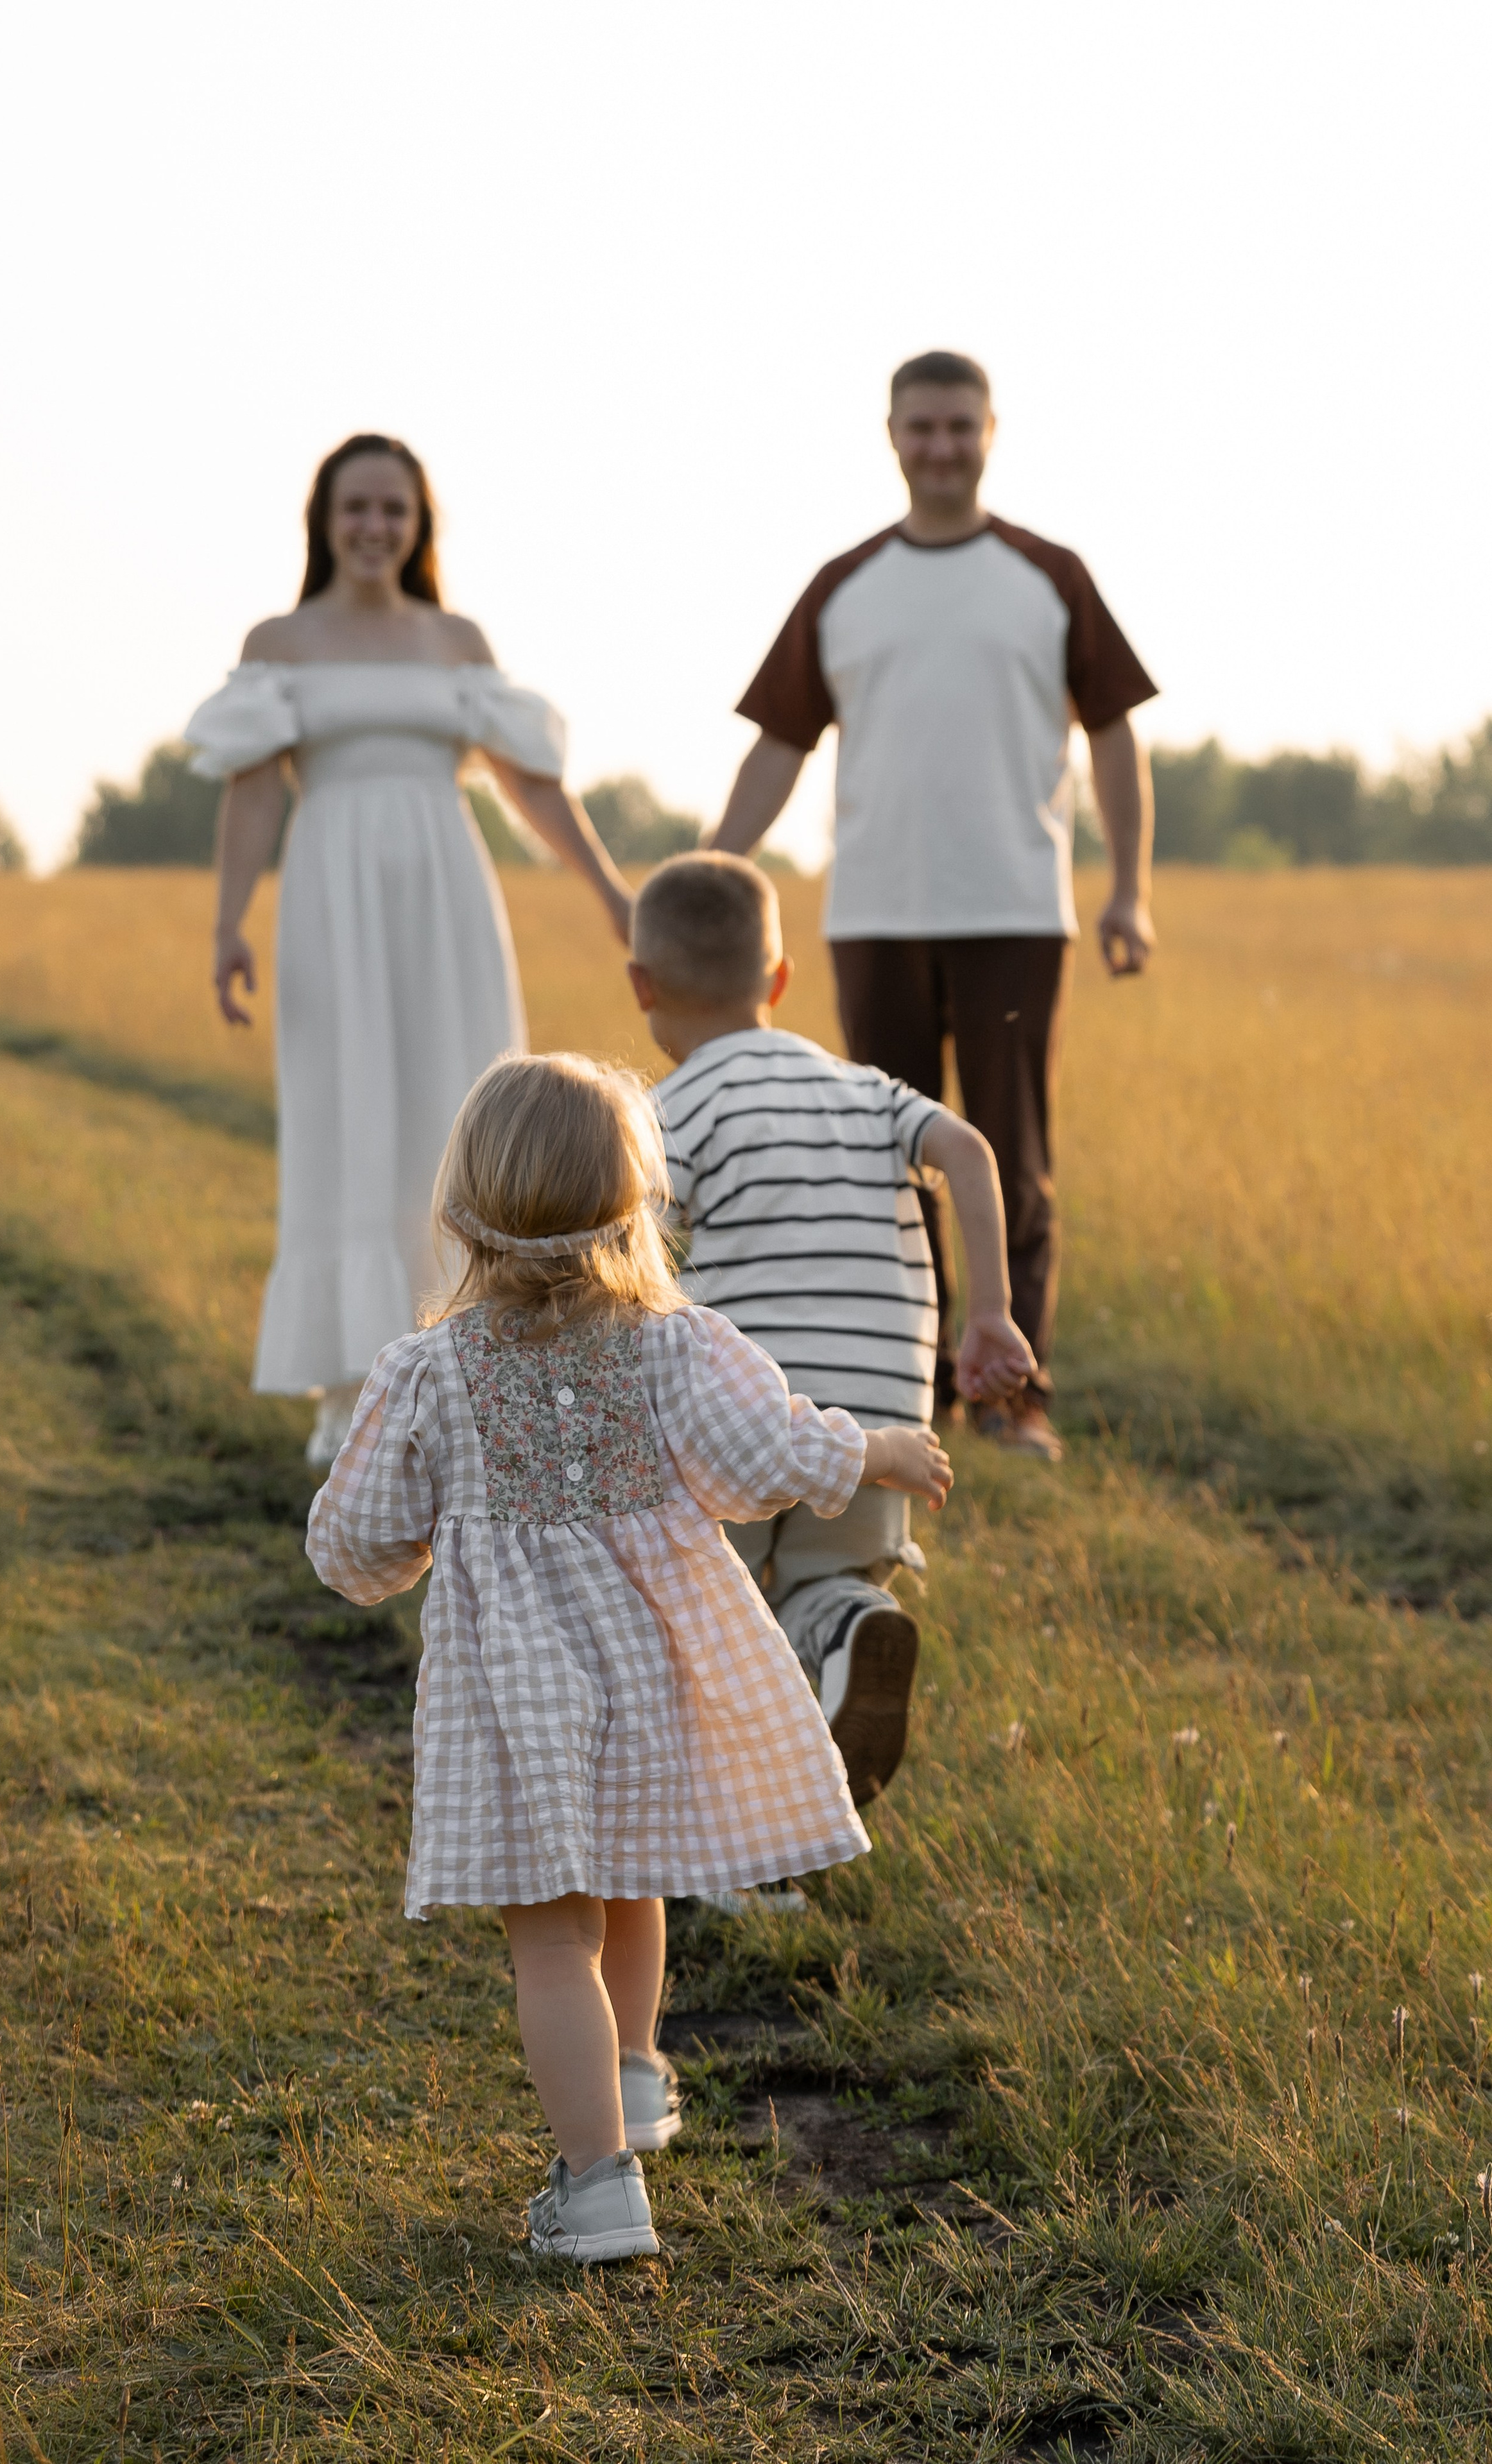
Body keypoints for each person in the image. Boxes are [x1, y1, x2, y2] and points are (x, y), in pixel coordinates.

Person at [305, 1050, 950, 2261]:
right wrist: (875, 1452)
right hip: (656, 1666)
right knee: (635, 1869)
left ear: (458, 1212)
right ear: (639, 1204)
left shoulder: (429, 1373)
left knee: (554, 1936)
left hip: (519, 1701)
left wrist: (395, 1550)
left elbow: (352, 1546)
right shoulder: (674, 1347)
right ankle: (640, 2078)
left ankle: (597, 2187)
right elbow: (764, 1458)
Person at [710, 352, 1158, 1461]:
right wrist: (712, 869)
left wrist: (1131, 890)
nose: (941, 447)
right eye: (922, 428)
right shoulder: (844, 584)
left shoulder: (1049, 576)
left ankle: (1012, 1396)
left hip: (1013, 908)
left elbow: (1113, 736)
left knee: (1010, 1156)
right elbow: (780, 744)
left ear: (991, 432)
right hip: (874, 914)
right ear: (892, 434)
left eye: (960, 427)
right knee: (887, 1158)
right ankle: (913, 1393)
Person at [186, 433, 633, 1463]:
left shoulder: (456, 639)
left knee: (460, 1107)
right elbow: (253, 789)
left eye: (395, 509)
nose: (375, 527)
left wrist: (611, 890)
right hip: (331, 892)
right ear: (324, 520)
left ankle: (475, 1362)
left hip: (446, 889)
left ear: (420, 523)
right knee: (346, 1114)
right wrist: (226, 924)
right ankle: (351, 1393)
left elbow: (529, 783)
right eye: (356, 509)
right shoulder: (280, 641)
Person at [635, 853, 1034, 1807]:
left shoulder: (668, 1112)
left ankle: (736, 1854)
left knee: (715, 1615)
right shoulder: (866, 1090)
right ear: (778, 981)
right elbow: (969, 1150)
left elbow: (635, 1250)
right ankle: (855, 1627)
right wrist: (989, 1314)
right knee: (827, 1578)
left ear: (641, 987)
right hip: (879, 1418)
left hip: (746, 1417)